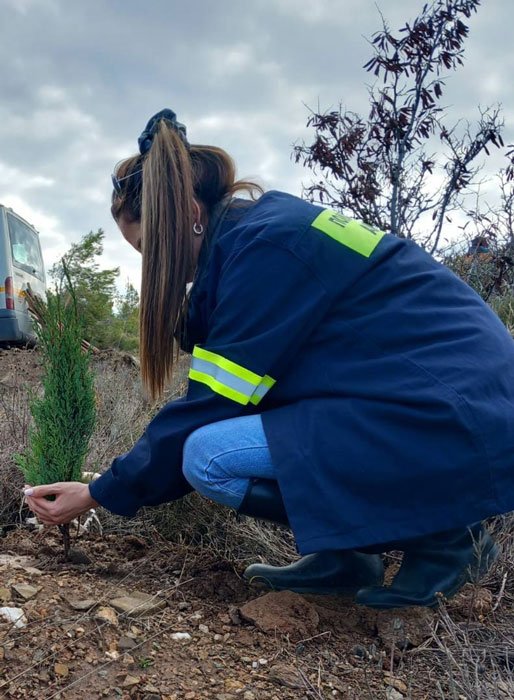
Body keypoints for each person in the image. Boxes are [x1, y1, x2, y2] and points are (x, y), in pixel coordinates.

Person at [24, 108, 514, 609]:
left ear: (190, 216)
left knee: (209, 455)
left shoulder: (266, 248)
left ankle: (447, 542)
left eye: (150, 247)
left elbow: (213, 407)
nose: (154, 265)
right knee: (248, 428)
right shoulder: (257, 235)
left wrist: (101, 491)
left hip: (455, 410)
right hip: (434, 399)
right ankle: (347, 555)